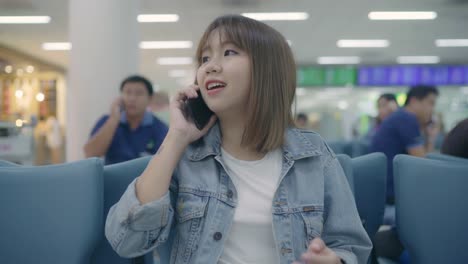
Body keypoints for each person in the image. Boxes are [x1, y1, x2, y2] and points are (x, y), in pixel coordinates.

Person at [105, 15, 371, 264]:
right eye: (205, 57)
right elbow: (127, 241)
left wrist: (334, 260)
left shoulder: (313, 154)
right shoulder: (187, 155)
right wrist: (177, 136)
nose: (210, 66)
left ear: (268, 69)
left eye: (229, 52)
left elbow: (350, 245)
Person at [371, 85, 439, 207]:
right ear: (414, 101)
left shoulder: (401, 117)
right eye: (430, 103)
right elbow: (423, 164)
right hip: (392, 195)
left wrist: (430, 137)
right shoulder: (406, 119)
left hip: (385, 190)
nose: (432, 109)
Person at [84, 75, 168, 165]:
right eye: (127, 93)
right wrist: (114, 119)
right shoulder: (108, 121)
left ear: (150, 98)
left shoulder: (160, 128)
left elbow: (166, 161)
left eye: (139, 93)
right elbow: (90, 154)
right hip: (112, 178)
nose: (132, 98)